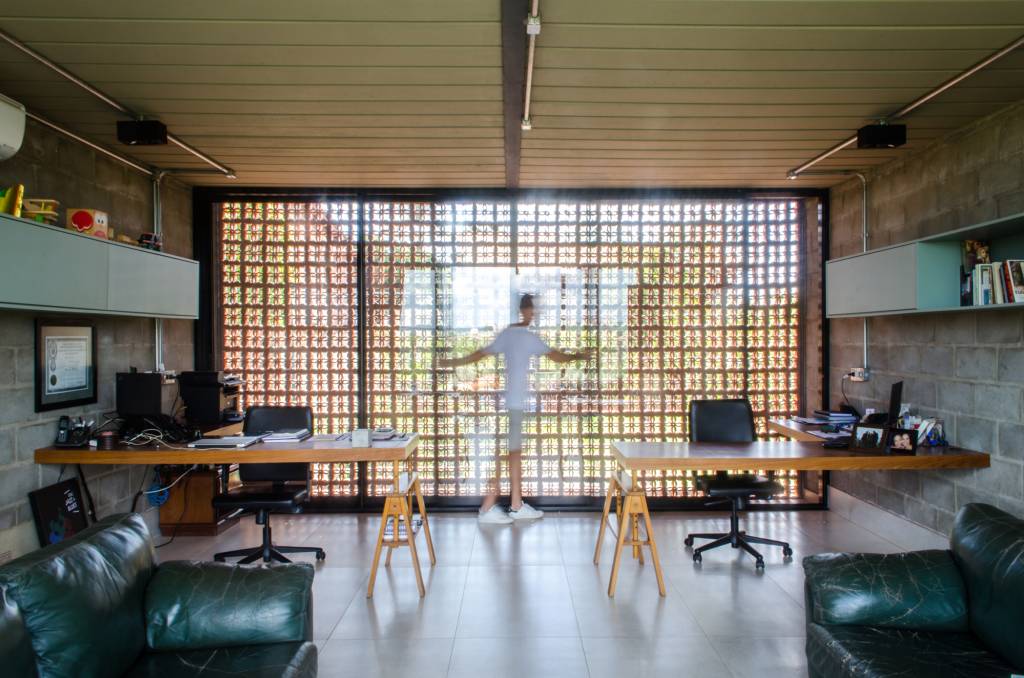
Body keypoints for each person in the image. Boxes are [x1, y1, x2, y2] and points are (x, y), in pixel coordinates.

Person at [438, 293, 593, 524]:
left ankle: (513, 504)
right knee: (511, 456)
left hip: (513, 404)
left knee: (513, 455)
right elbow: (557, 357)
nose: (534, 313)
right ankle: (490, 507)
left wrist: (455, 362)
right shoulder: (526, 337)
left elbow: (480, 354)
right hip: (516, 404)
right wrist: (579, 355)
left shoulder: (510, 334)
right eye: (532, 309)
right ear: (526, 310)